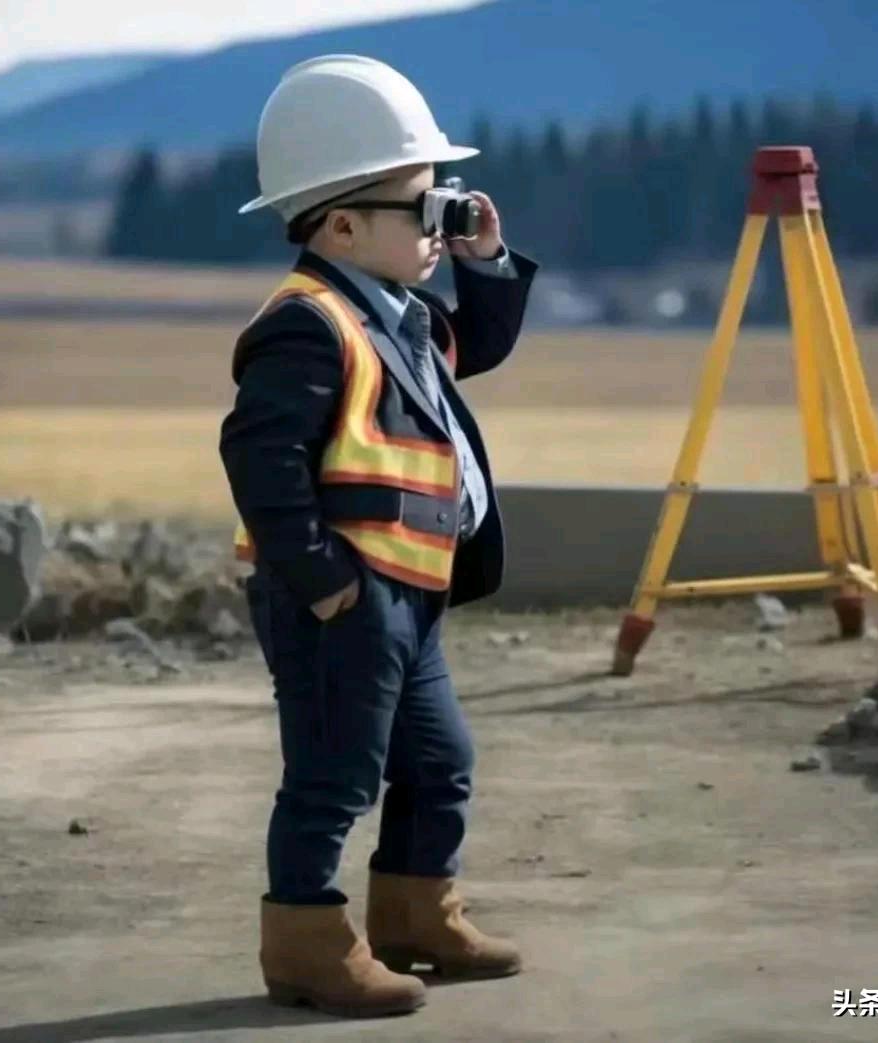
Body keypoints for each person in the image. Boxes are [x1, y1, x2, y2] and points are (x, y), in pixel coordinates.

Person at [218, 54, 538, 1019]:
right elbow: (258, 454)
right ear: (343, 226)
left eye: (443, 200)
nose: (439, 221)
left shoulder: (399, 314)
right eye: (421, 206)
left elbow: (478, 345)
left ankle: (414, 913)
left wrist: (484, 256)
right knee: (333, 773)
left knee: (438, 762)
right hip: (346, 594)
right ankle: (307, 947)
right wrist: (323, 579)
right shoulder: (308, 325)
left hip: (409, 589)